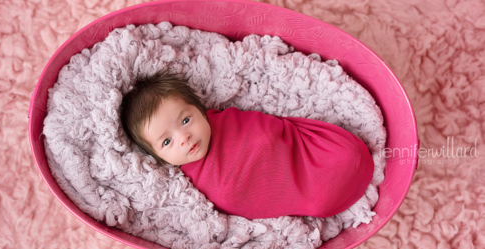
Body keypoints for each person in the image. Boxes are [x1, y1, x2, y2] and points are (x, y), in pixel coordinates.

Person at [120, 71, 374, 220]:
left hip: (317, 155)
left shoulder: (226, 119)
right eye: (167, 141)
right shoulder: (184, 190)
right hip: (315, 201)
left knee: (340, 158)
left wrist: (271, 136)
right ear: (156, 155)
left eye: (186, 120)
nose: (184, 137)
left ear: (201, 110)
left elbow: (267, 133)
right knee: (318, 196)